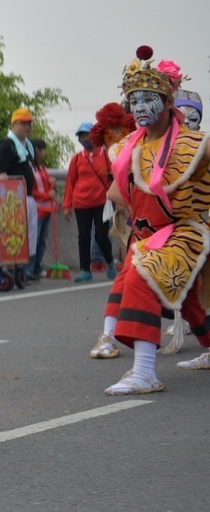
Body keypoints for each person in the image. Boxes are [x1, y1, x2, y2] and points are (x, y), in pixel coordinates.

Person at [91, 48, 210, 391]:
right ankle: (111, 338)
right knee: (193, 300)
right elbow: (115, 193)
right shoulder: (128, 147)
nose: (141, 106)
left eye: (149, 98)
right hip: (148, 236)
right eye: (135, 99)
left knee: (143, 274)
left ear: (168, 101)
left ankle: (144, 372)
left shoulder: (193, 144)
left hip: (186, 233)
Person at [64, 122, 115, 284]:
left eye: (87, 135)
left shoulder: (106, 155)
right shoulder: (77, 158)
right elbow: (70, 183)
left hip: (102, 202)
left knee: (101, 236)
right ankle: (85, 270)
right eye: (81, 136)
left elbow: (114, 177)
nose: (84, 139)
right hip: (81, 203)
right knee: (84, 237)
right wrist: (67, 205)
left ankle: (110, 263)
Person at [0, 107, 39, 263]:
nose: (27, 127)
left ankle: (27, 267)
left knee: (31, 235)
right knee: (17, 235)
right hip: (15, 201)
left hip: (28, 196)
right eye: (23, 123)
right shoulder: (7, 145)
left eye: (29, 123)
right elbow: (2, 174)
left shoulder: (28, 146)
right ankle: (17, 267)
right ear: (13, 125)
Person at [27, 137, 57, 280]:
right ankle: (29, 269)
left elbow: (48, 187)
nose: (44, 152)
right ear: (37, 151)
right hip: (36, 210)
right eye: (42, 149)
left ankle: (37, 267)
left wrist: (53, 184)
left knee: (42, 241)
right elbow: (30, 191)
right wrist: (46, 195)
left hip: (46, 210)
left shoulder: (43, 168)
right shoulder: (29, 169)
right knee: (34, 240)